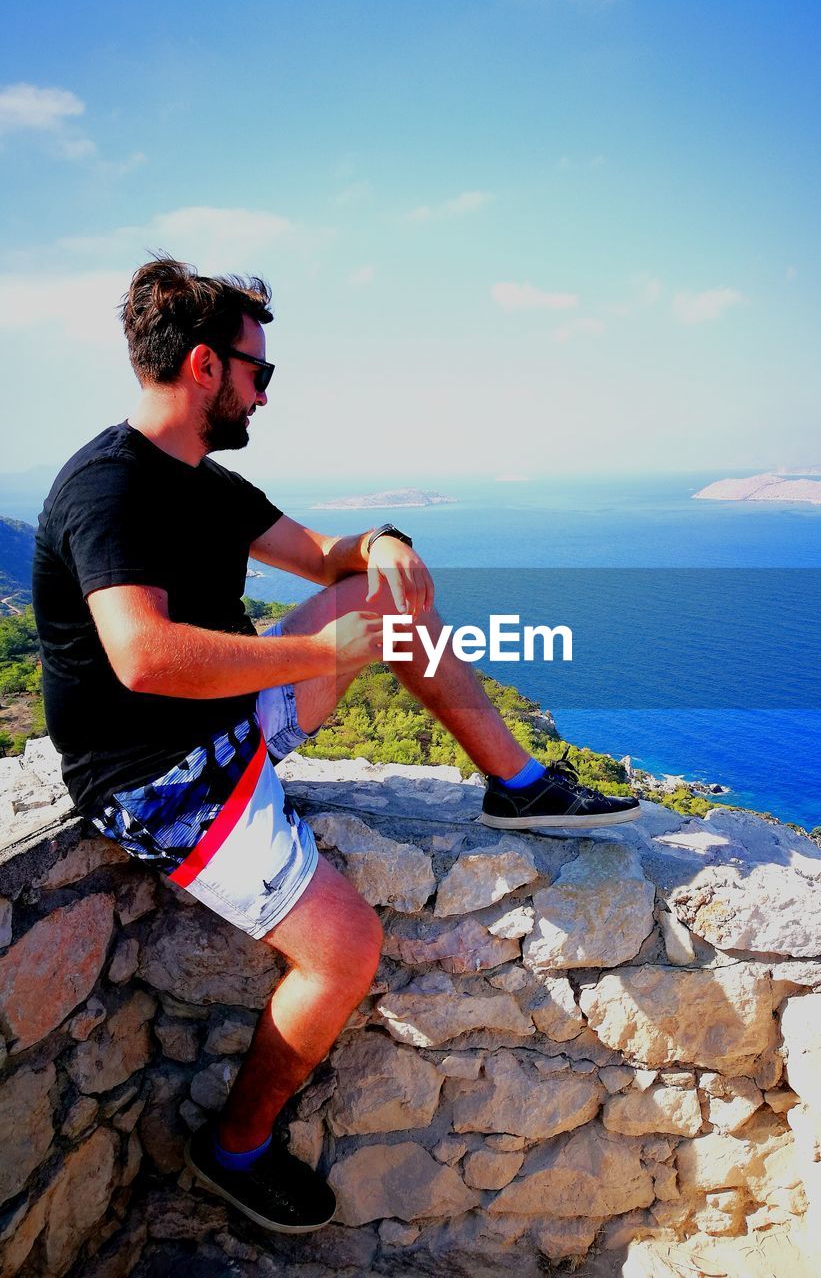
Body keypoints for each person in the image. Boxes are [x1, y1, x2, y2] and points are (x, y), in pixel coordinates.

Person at [31, 256, 640, 1233]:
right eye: (257, 373)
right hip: (157, 779)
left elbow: (323, 555)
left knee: (381, 599)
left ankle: (518, 781)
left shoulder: (204, 482)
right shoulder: (109, 489)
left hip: (227, 727)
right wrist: (317, 650)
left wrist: (383, 541)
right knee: (345, 948)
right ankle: (234, 1145)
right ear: (202, 365)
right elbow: (141, 658)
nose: (265, 393)